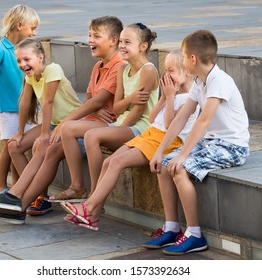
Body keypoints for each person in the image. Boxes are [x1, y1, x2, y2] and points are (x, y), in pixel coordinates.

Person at [0, 15, 125, 223]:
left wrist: (69, 121)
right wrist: (92, 108)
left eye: (95, 36)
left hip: (98, 127)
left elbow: (89, 101)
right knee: (29, 146)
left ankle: (18, 198)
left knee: (47, 144)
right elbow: (91, 99)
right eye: (89, 35)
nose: (89, 39)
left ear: (114, 40)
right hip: (84, 123)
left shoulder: (119, 65)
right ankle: (18, 203)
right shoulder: (98, 66)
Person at [61, 48, 199, 230]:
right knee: (109, 161)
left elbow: (169, 125)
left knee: (117, 162)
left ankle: (88, 207)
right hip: (150, 135)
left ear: (187, 71)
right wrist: (164, 98)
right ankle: (93, 214)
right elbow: (152, 119)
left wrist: (171, 97)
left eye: (171, 71)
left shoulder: (190, 98)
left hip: (166, 141)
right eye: (165, 70)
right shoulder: (171, 94)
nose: (166, 75)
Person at [143, 29, 250, 255]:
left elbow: (203, 121)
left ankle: (194, 234)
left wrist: (183, 155)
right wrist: (160, 151)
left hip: (232, 147)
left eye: (183, 56)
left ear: (192, 59)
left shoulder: (220, 81)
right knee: (163, 165)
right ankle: (172, 228)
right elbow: (181, 118)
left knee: (179, 169)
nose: (182, 60)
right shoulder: (200, 82)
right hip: (212, 143)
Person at [58, 22, 159, 202]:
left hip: (140, 129)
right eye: (121, 41)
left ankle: (95, 197)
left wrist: (113, 132)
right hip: (120, 124)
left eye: (127, 42)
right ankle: (77, 186)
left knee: (92, 136)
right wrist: (129, 99)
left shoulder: (148, 71)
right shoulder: (123, 69)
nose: (122, 46)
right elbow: (118, 107)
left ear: (143, 46)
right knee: (67, 128)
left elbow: (137, 113)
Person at [0, 5, 39, 194]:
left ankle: (17, 185)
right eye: (32, 28)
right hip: (8, 109)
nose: (34, 32)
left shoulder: (25, 50)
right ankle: (0, 185)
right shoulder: (0, 50)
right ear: (20, 25)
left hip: (26, 108)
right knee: (9, 148)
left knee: (18, 148)